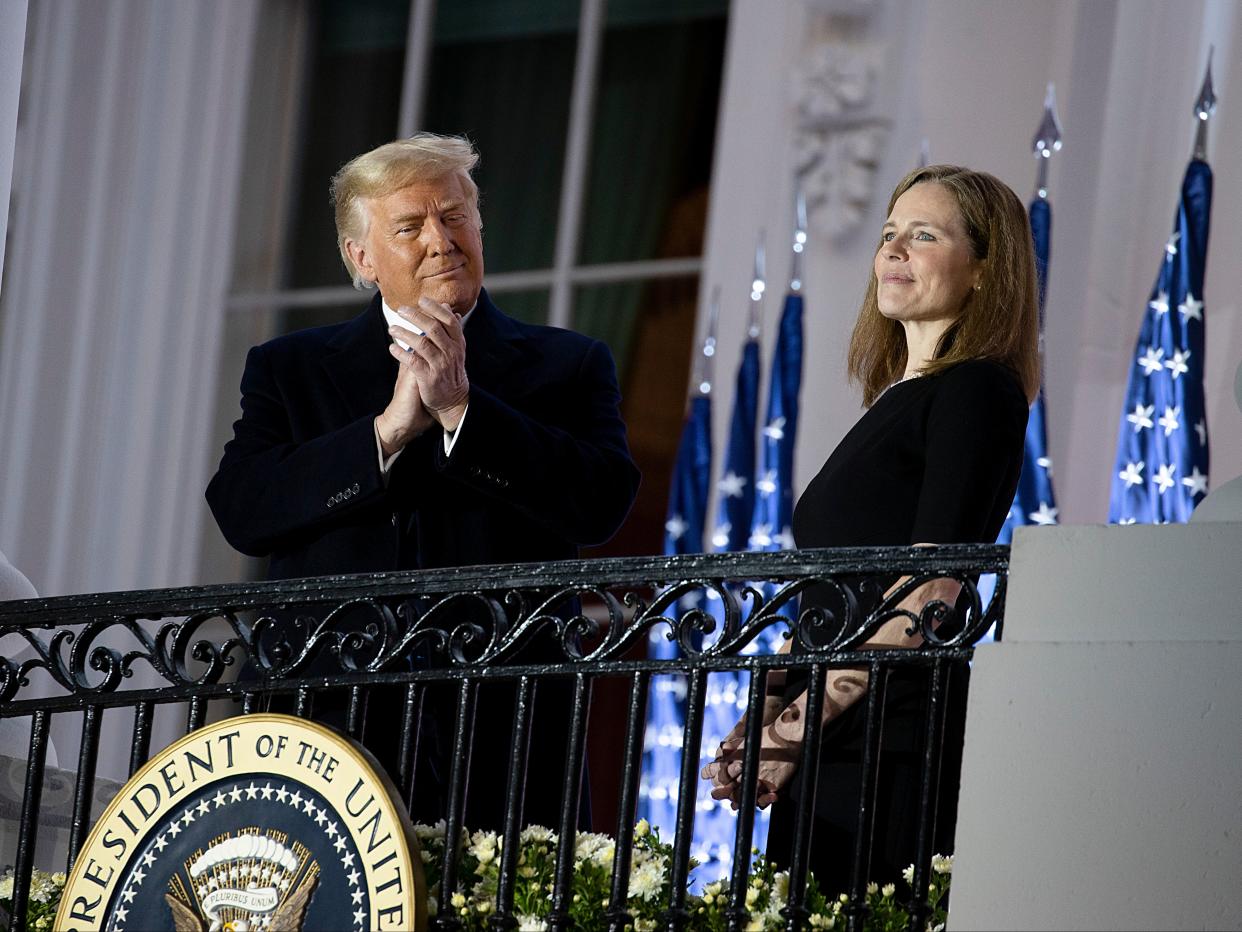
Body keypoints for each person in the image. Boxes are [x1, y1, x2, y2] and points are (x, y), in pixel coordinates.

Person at [207, 133, 641, 830]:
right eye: (409, 226)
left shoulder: (569, 363)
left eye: (454, 216)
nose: (441, 241)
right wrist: (386, 433)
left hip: (506, 727)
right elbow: (242, 509)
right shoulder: (290, 368)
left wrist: (462, 409)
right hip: (326, 726)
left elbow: (599, 505)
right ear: (362, 257)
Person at [703, 164, 1038, 891]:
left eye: (924, 235)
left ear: (985, 270)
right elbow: (832, 594)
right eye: (889, 234)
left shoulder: (978, 389)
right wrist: (759, 719)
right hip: (831, 733)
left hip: (890, 738)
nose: (893, 251)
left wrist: (791, 732)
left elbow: (930, 594)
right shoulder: (901, 399)